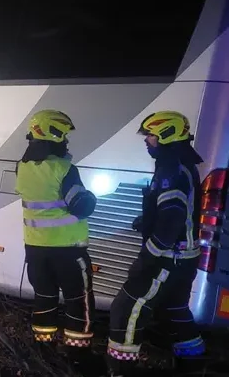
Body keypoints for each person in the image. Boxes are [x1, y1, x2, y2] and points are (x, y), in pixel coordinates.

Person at [106, 111, 205, 376]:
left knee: (126, 309)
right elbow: (176, 211)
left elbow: (171, 221)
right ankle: (193, 365)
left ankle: (120, 369)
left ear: (166, 135)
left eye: (150, 135)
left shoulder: (171, 169)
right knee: (175, 312)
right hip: (184, 259)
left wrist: (146, 259)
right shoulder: (181, 163)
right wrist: (147, 218)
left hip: (167, 259)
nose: (147, 140)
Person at [15, 110, 99, 374]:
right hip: (68, 251)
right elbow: (81, 205)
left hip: (36, 250)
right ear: (52, 134)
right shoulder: (65, 169)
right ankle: (78, 357)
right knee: (79, 302)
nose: (66, 141)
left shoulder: (23, 166)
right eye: (63, 135)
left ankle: (43, 352)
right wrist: (92, 196)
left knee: (44, 299)